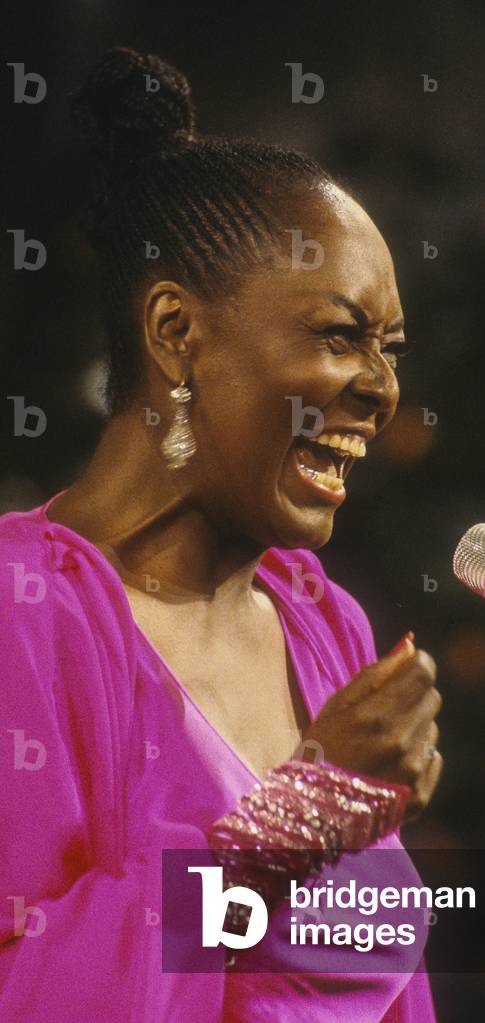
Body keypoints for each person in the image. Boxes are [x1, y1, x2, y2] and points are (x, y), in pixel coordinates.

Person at [0, 47, 443, 1022]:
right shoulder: (20, 614)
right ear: (175, 334)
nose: (383, 389)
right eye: (339, 335)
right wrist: (298, 819)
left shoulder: (323, 626)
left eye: (391, 350)